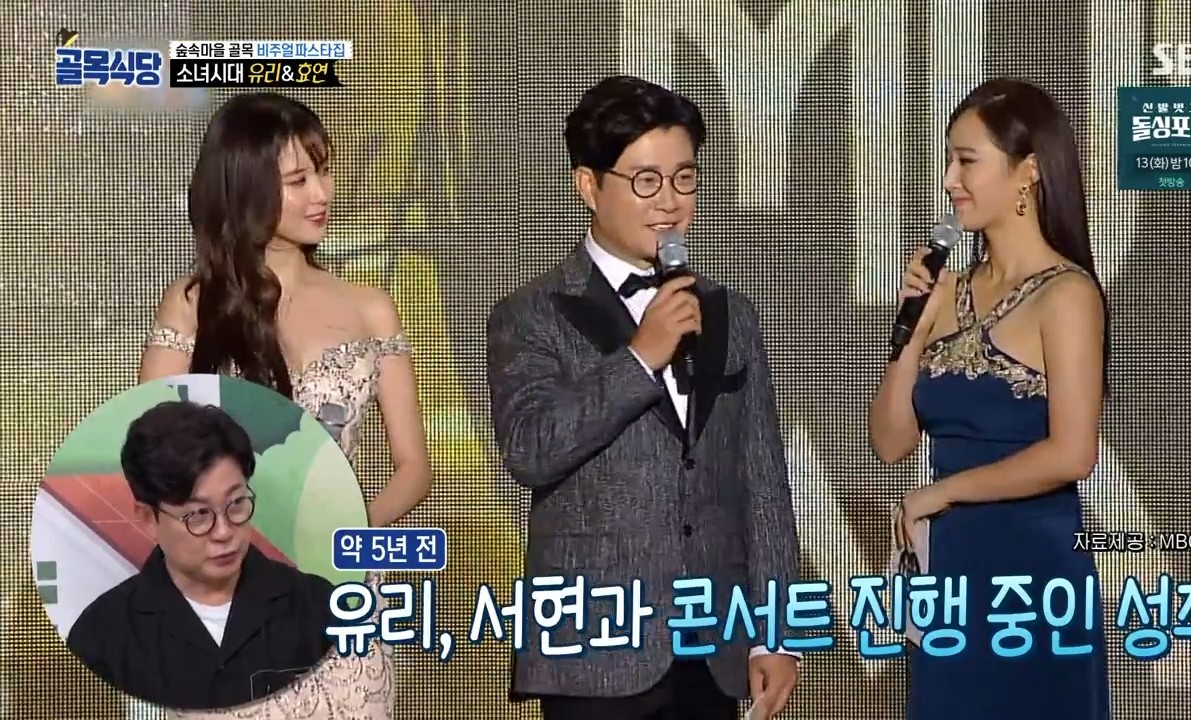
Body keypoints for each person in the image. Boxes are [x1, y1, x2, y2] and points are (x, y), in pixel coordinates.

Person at [485, 75, 802, 720]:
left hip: (712, 646)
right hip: (595, 650)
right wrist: (639, 358)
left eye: (684, 178)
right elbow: (532, 450)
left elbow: (763, 482)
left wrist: (776, 631)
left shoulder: (730, 314)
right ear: (589, 185)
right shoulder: (532, 314)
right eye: (646, 181)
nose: (670, 202)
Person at [138, 91, 434, 719]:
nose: (321, 194)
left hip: (340, 598)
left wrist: (343, 536)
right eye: (298, 180)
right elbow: (146, 452)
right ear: (245, 187)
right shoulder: (192, 306)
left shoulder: (370, 306)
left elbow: (414, 467)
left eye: (323, 172)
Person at [869, 77, 1111, 719]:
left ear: (1027, 170)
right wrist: (913, 328)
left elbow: (1072, 453)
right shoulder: (946, 290)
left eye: (967, 161)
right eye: (949, 161)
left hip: (1033, 573)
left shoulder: (1067, 295)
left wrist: (943, 492)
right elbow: (890, 443)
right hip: (949, 568)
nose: (950, 180)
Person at [66, 401, 335, 711]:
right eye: (198, 514)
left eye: (236, 503)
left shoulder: (318, 606)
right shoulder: (102, 637)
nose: (223, 531)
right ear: (149, 517)